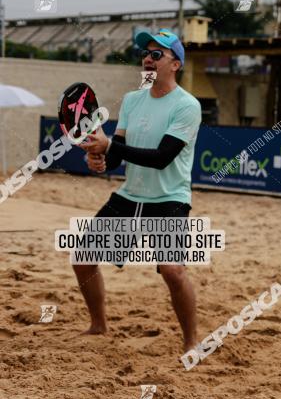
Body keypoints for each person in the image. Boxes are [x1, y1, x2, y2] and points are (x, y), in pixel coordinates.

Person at [77, 29, 202, 353]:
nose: (148, 58)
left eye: (157, 53)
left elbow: (161, 158)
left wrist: (109, 146)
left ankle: (191, 341)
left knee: (173, 271)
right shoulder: (133, 100)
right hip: (131, 194)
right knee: (83, 259)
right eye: (146, 53)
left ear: (175, 64)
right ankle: (98, 325)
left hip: (170, 197)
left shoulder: (187, 106)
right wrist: (100, 155)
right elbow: (118, 154)